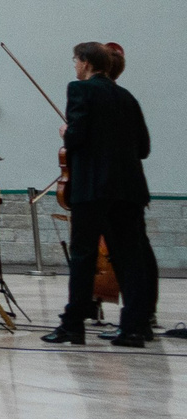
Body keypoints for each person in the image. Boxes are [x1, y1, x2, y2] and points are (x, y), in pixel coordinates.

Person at [45, 40, 157, 347]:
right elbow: (144, 148)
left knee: (83, 256)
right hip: (130, 189)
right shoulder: (127, 97)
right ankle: (133, 327)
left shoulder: (80, 90)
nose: (74, 66)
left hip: (93, 188)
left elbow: (77, 138)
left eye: (75, 61)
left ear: (84, 62)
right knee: (130, 258)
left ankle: (73, 325)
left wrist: (67, 133)